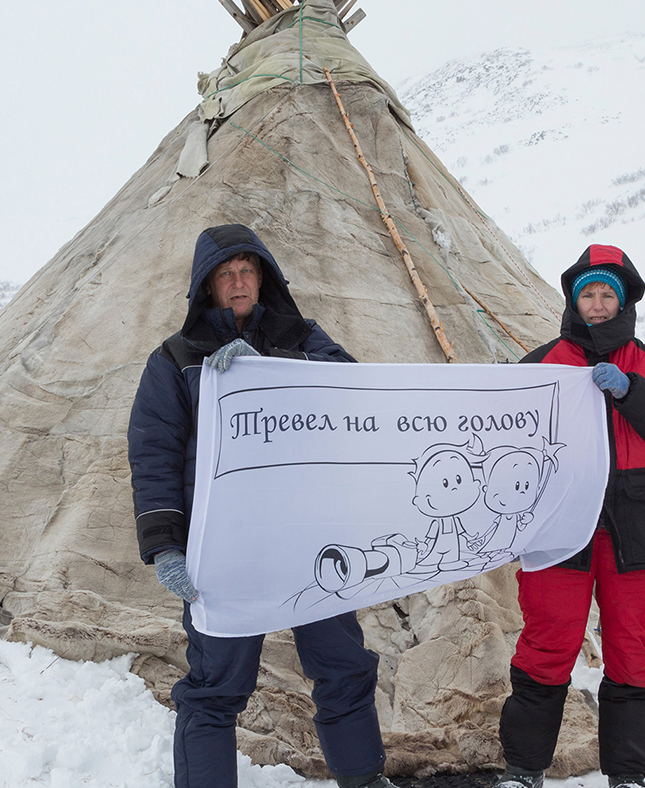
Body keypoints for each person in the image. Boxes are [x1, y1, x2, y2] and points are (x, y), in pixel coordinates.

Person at [127, 224, 400, 788]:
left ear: (264, 277)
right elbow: (154, 453)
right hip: (226, 545)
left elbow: (354, 394)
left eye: (247, 270)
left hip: (310, 542)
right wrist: (165, 548)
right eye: (225, 274)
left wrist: (269, 363)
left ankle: (364, 779)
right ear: (206, 287)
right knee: (214, 685)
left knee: (343, 666)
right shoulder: (176, 359)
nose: (238, 282)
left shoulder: (304, 337)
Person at [493, 244, 645, 788]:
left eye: (608, 292)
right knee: (547, 642)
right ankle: (523, 770)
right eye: (588, 292)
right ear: (573, 300)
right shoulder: (540, 364)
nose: (598, 302)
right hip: (560, 519)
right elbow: (503, 437)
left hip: (637, 521)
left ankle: (627, 775)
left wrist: (630, 390)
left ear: (624, 298)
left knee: (633, 645)